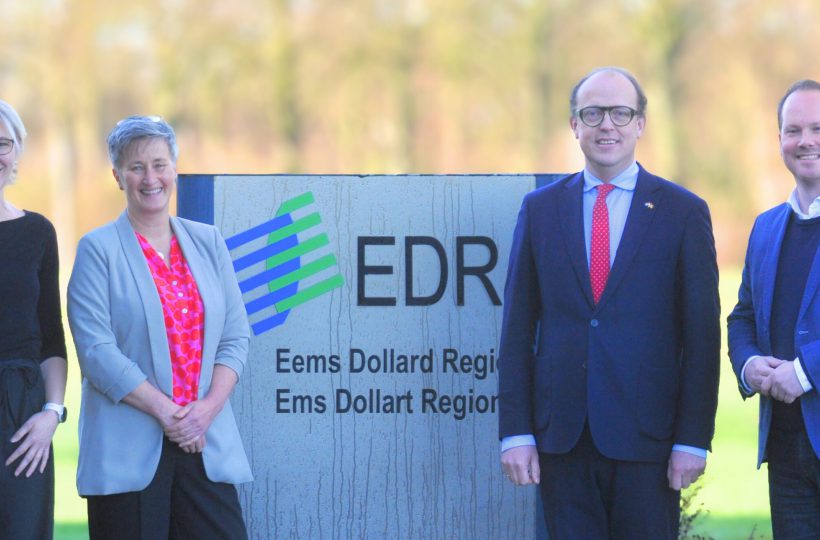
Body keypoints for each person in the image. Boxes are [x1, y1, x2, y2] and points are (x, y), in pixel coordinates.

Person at [497, 67, 721, 539]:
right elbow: (517, 330)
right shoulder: (539, 210)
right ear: (574, 124)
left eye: (621, 113)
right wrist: (516, 432)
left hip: (648, 443)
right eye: (592, 113)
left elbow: (702, 338)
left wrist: (693, 440)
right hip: (563, 440)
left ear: (640, 123)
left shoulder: (683, 212)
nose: (607, 126)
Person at [67, 115, 252, 539]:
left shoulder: (208, 242)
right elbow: (97, 352)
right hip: (129, 449)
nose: (150, 178)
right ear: (117, 176)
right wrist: (170, 415)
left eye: (159, 164)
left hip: (205, 442)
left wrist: (202, 413)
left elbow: (235, 337)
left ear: (174, 169)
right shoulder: (98, 250)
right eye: (136, 167)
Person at [727, 79, 820, 539]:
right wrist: (748, 365)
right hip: (784, 447)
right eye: (794, 130)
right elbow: (743, 316)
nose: (806, 141)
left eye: (819, 128)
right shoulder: (765, 228)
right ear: (779, 139)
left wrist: (805, 372)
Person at [0, 100, 68, 540]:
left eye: (4, 143)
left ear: (18, 152)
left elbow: (51, 338)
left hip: (22, 411)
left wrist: (51, 413)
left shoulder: (38, 232)